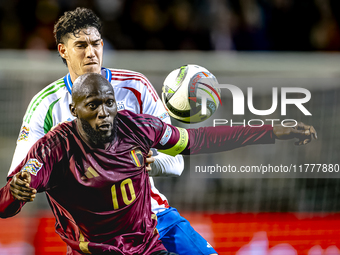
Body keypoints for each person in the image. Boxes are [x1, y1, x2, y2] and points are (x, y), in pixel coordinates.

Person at [1, 73, 317, 254]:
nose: (103, 112)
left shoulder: (136, 126)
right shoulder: (53, 149)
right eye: (92, 104)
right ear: (73, 108)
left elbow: (200, 140)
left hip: (148, 245)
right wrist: (15, 193)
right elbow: (7, 204)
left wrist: (272, 131)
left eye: (109, 102)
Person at [7, 7, 218, 255]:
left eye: (96, 44)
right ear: (63, 50)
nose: (91, 53)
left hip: (154, 219)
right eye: (81, 46)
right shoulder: (45, 105)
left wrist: (153, 162)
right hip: (95, 239)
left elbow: (177, 163)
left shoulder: (135, 87)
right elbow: (19, 176)